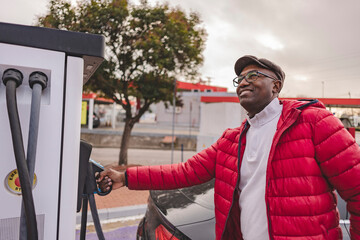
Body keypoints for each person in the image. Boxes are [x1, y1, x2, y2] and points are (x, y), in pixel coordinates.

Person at [98, 55, 360, 240]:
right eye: (239, 79)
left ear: (276, 86)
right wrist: (126, 177)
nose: (243, 82)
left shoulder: (314, 122)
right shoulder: (231, 140)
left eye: (253, 75)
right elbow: (185, 172)